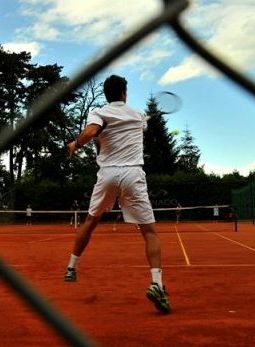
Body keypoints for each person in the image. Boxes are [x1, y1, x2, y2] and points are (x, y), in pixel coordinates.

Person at [63, 75, 170, 314]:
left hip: (108, 174)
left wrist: (75, 145)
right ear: (124, 93)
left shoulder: (99, 112)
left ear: (106, 94)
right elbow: (142, 125)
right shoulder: (138, 114)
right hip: (133, 174)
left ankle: (71, 267)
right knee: (150, 232)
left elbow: (91, 132)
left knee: (91, 221)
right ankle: (157, 284)